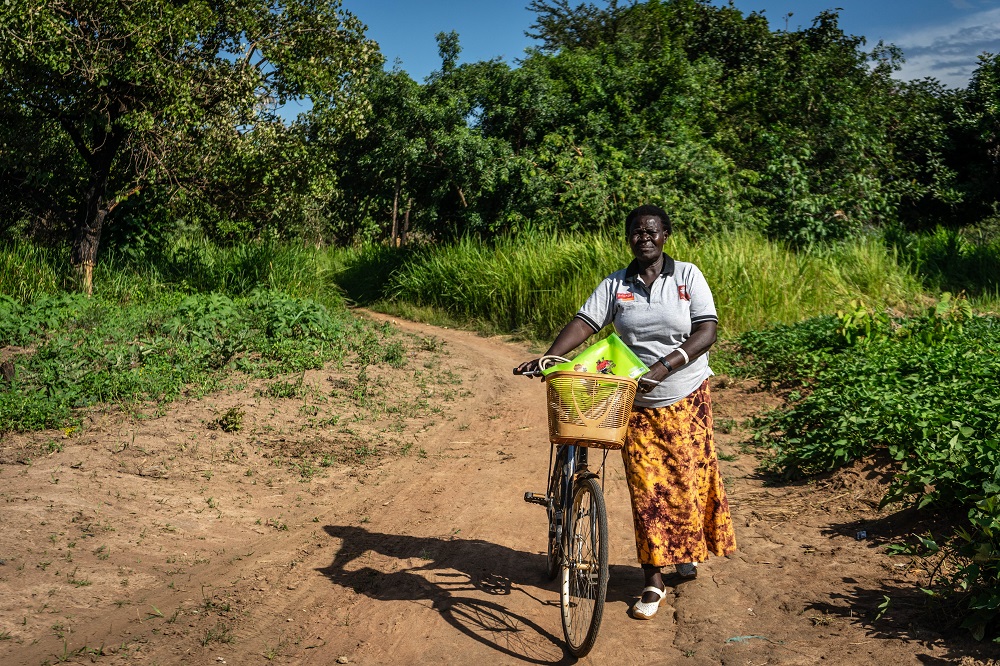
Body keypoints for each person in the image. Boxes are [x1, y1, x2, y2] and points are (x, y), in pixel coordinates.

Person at [515, 204, 737, 621]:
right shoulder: (616, 285)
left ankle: (684, 552)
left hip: (687, 395)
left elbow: (706, 330)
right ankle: (653, 580)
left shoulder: (688, 276)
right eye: (637, 232)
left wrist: (665, 366)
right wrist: (549, 357)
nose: (644, 237)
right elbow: (585, 323)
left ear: (666, 234)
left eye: (652, 231)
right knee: (648, 491)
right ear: (629, 238)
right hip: (634, 401)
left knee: (688, 482)